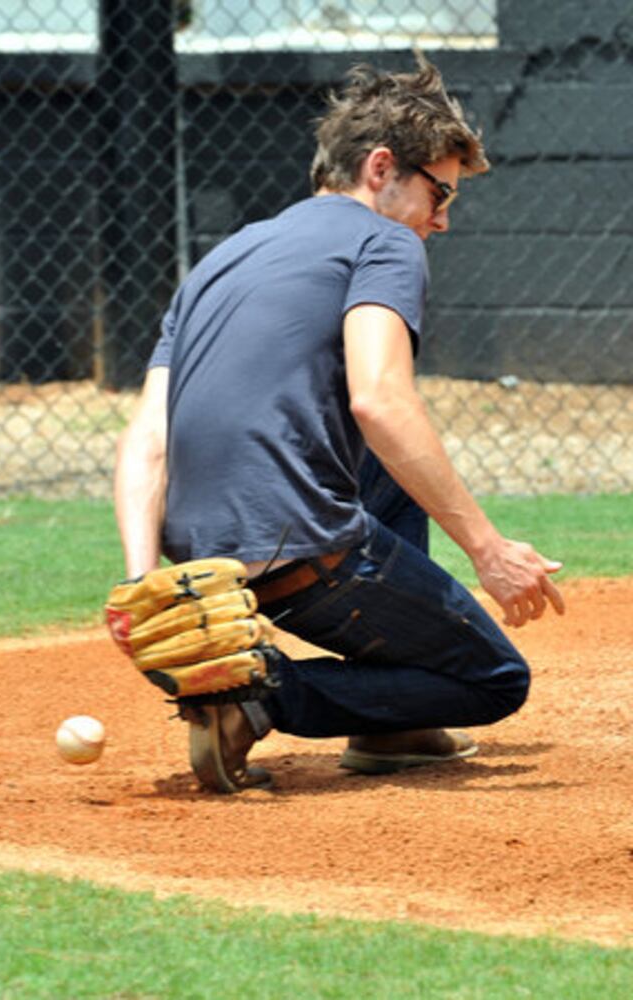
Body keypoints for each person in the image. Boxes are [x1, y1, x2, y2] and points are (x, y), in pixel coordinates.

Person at [114, 60, 565, 793]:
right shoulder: (385, 241)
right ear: (381, 168)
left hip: (207, 568)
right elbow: (378, 400)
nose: (442, 219)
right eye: (439, 192)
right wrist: (489, 551)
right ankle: (253, 694)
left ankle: (392, 728)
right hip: (298, 552)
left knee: (388, 469)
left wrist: (143, 585)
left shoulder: (221, 259)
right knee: (494, 679)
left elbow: (147, 440)